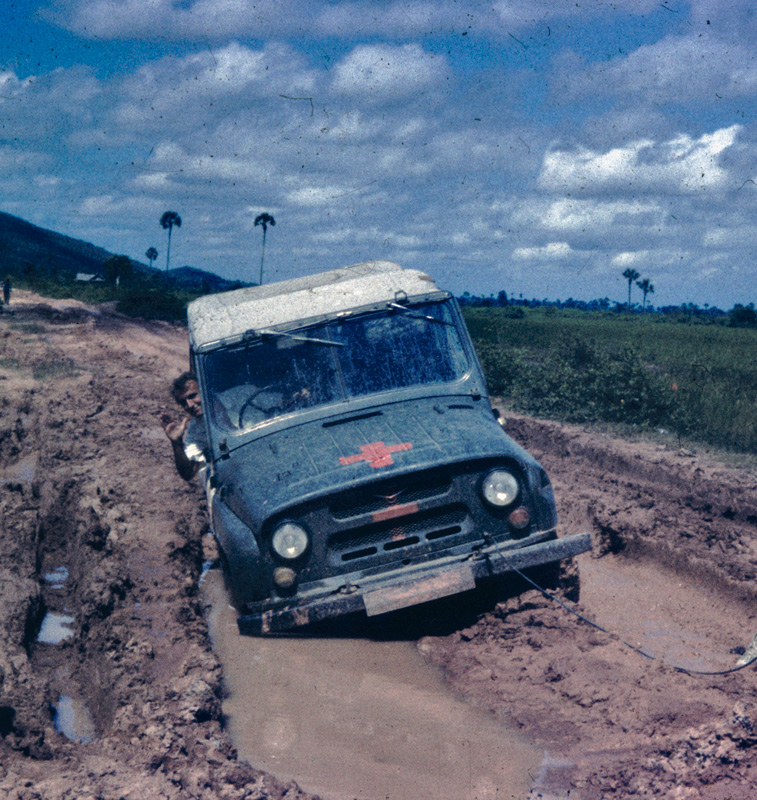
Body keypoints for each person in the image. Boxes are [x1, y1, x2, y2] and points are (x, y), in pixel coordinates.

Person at [161, 371, 207, 481]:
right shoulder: (195, 430)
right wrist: (176, 442)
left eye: (192, 396)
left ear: (204, 389)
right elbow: (188, 473)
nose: (189, 405)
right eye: (183, 403)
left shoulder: (234, 399)